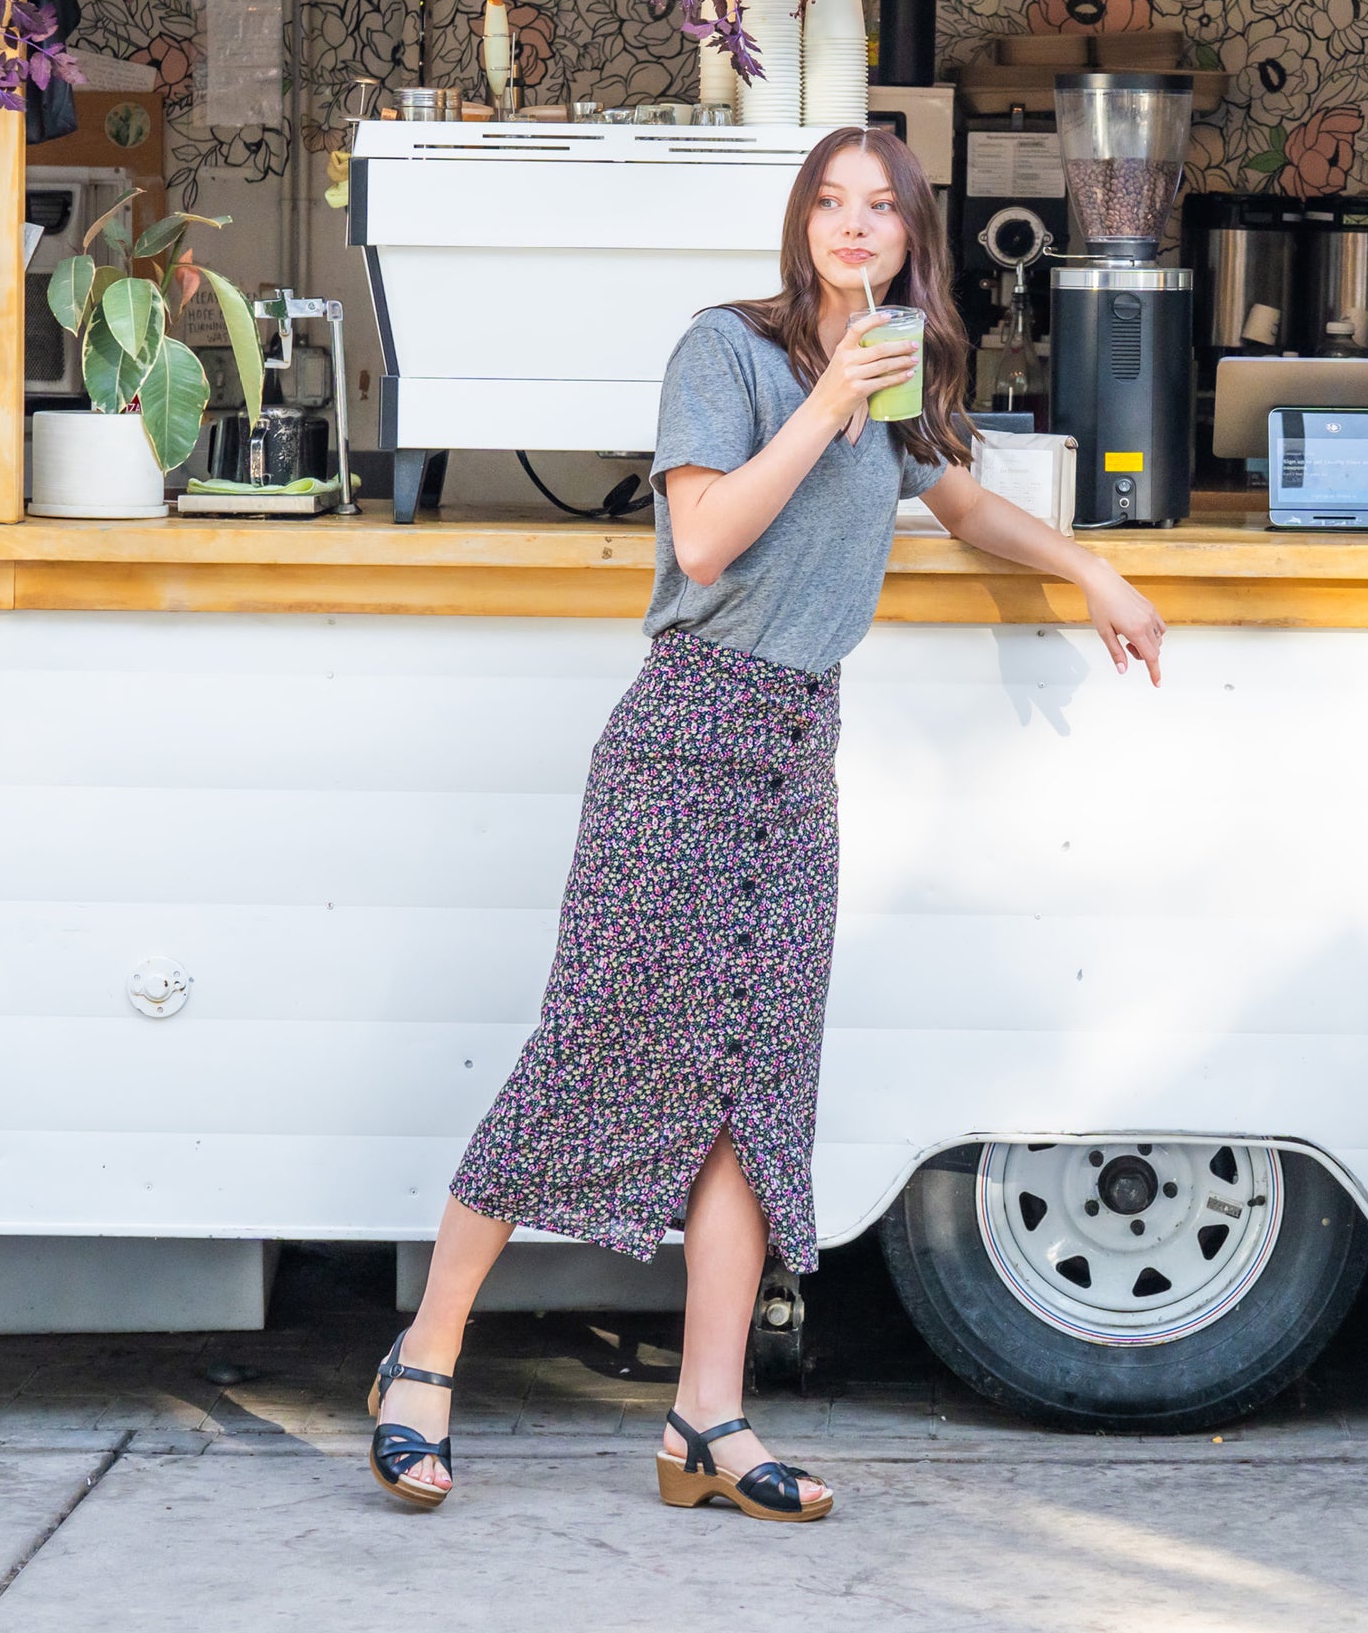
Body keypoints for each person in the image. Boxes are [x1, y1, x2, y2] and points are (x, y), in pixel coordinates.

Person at [368, 124, 1165, 1520]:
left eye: (883, 211)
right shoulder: (724, 353)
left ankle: (707, 1419)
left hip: (802, 752)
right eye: (831, 204)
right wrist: (826, 405)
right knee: (592, 1047)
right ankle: (424, 1360)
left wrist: (1090, 569)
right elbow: (701, 541)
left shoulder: (902, 368)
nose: (854, 228)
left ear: (913, 240)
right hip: (686, 732)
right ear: (801, 224)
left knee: (757, 1087)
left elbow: (962, 502)